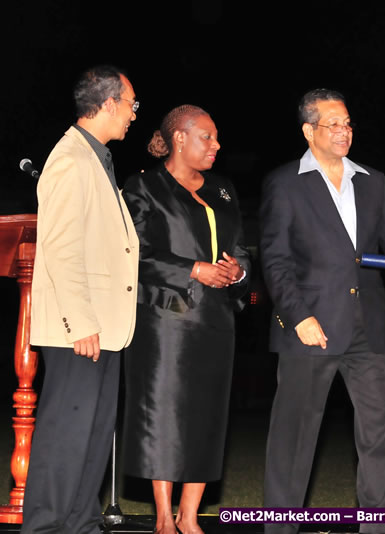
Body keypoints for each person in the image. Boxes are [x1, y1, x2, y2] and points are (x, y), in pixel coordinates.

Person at [260, 88, 385, 534]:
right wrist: (298, 316)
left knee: (379, 439)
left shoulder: (372, 180)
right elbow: (275, 259)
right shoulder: (284, 182)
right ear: (308, 130)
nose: (344, 132)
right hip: (309, 328)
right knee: (294, 440)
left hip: (368, 330)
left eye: (348, 123)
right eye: (333, 124)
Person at [121, 105, 250, 534]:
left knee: (208, 416)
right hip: (166, 321)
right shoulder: (143, 186)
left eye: (216, 138)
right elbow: (135, 253)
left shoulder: (224, 189)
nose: (216, 145)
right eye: (207, 137)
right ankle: (163, 516)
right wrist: (194, 269)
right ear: (179, 137)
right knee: (165, 415)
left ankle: (190, 516)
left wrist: (238, 271)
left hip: (217, 320)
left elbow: (242, 249)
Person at [24, 65, 139, 534]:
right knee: (65, 437)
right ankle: (47, 527)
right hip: (82, 329)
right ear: (108, 103)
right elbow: (62, 247)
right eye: (131, 104)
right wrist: (80, 321)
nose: (134, 114)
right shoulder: (71, 159)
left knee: (92, 439)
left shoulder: (97, 158)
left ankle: (81, 525)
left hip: (104, 328)